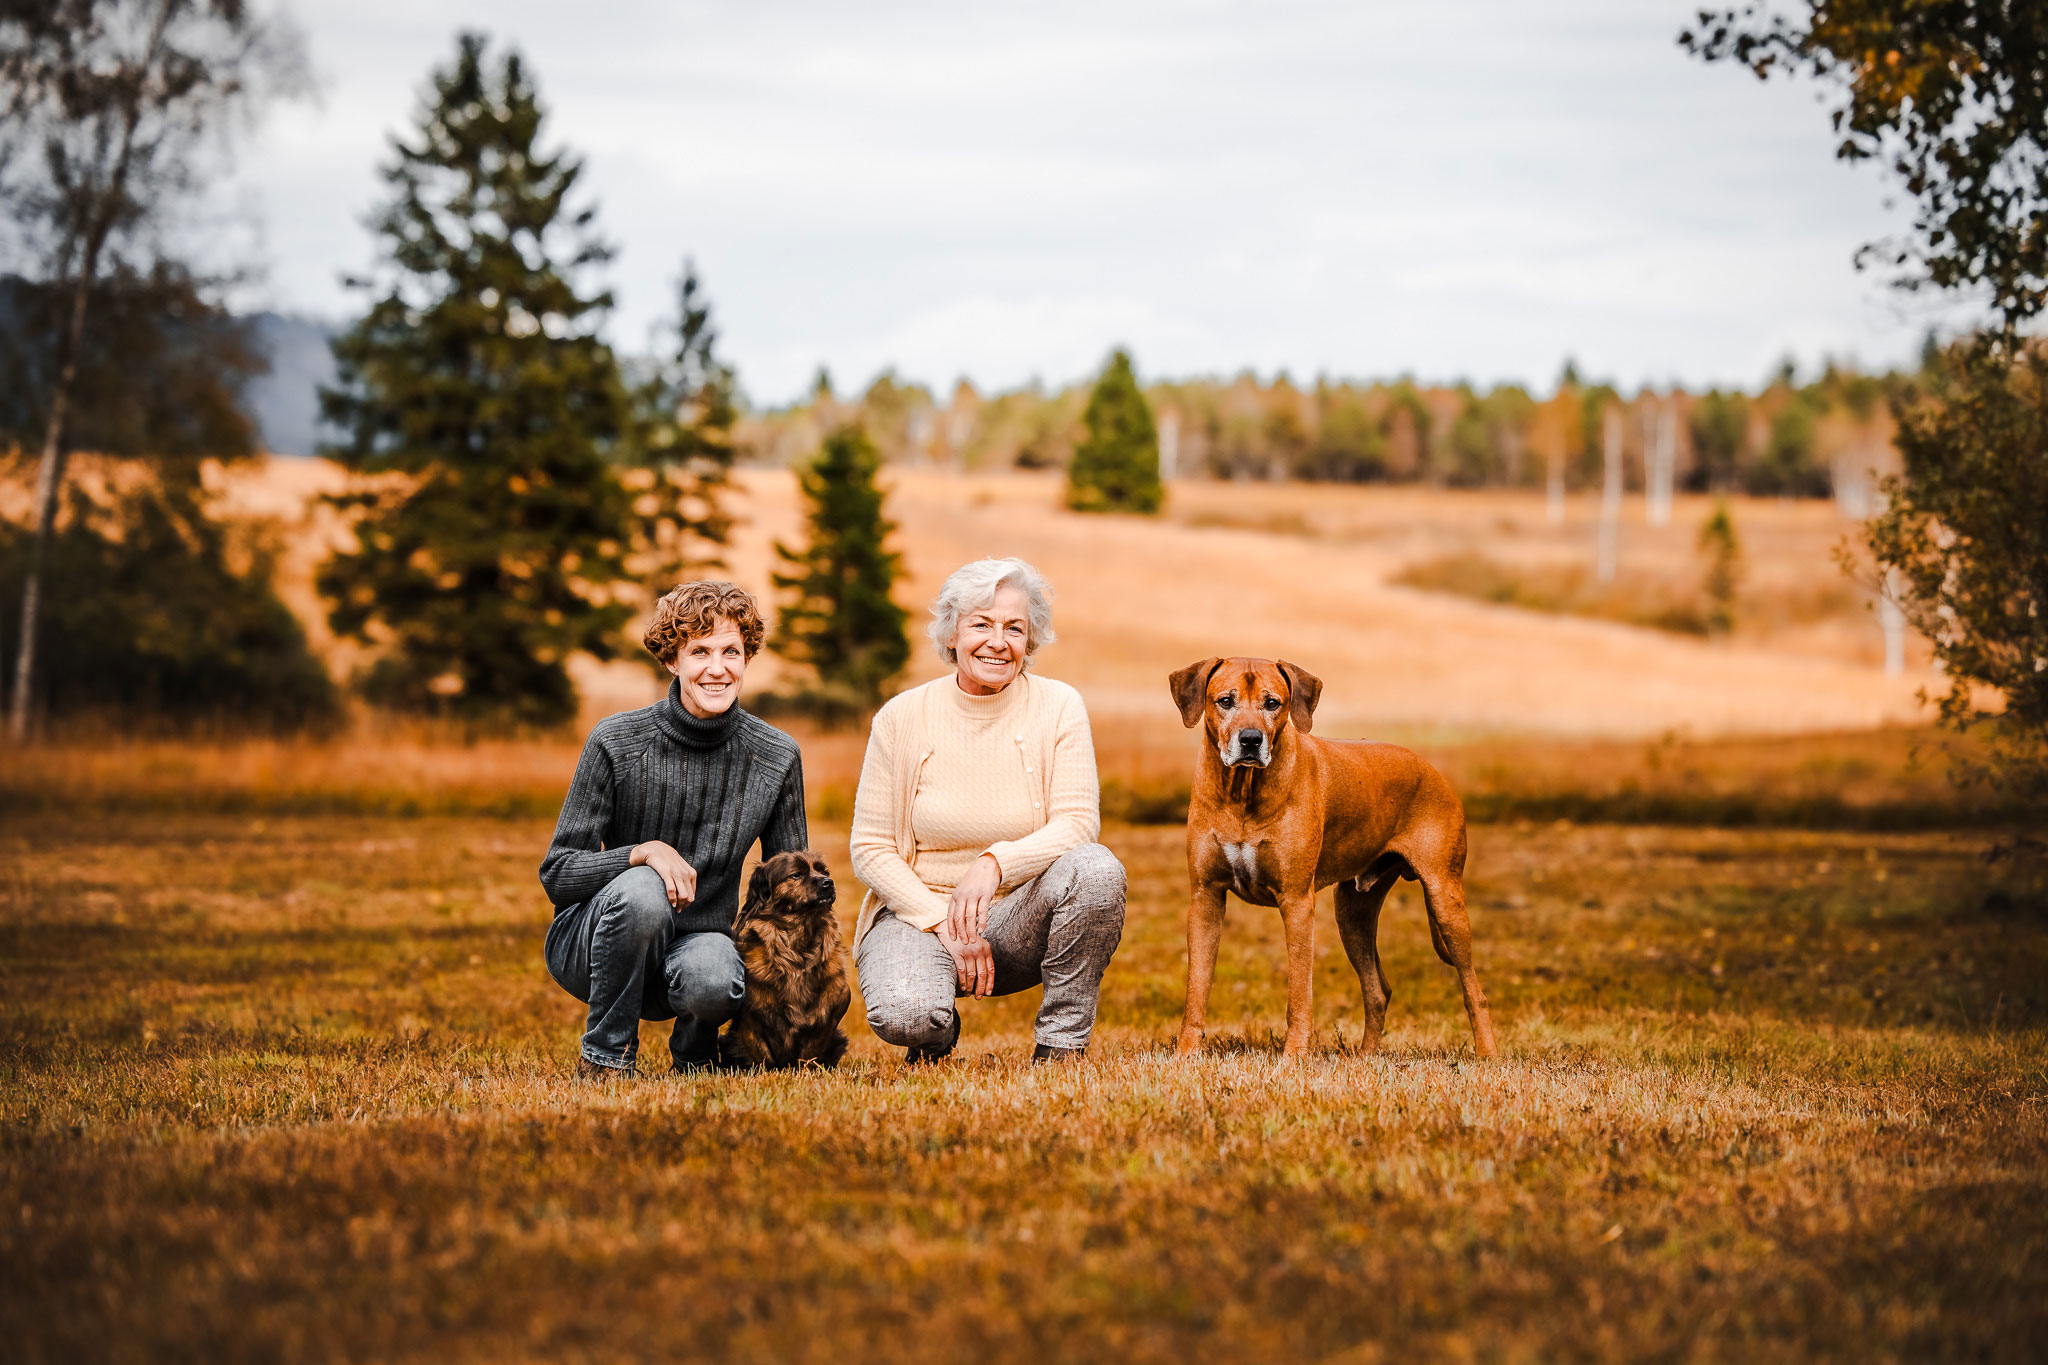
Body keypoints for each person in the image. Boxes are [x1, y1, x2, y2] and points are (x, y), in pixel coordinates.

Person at [850, 557, 1125, 1064]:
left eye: (1014, 628)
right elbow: (870, 849)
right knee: (904, 1015)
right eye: (981, 624)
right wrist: (941, 923)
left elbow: (1078, 825)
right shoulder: (901, 717)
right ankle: (934, 1028)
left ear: (1031, 640)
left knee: (1097, 870)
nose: (998, 642)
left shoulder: (1059, 706)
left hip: (1019, 917)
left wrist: (993, 864)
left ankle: (1061, 1046)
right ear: (952, 633)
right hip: (919, 916)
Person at [540, 580, 806, 1077]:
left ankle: (695, 1056)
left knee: (713, 974)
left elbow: (791, 895)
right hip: (595, 943)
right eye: (699, 651)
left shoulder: (776, 756)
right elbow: (557, 874)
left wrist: (791, 1014)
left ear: (747, 658)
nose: (718, 668)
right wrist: (641, 852)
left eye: (732, 651)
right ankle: (606, 1057)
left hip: (697, 944)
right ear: (672, 660)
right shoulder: (616, 740)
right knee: (644, 889)